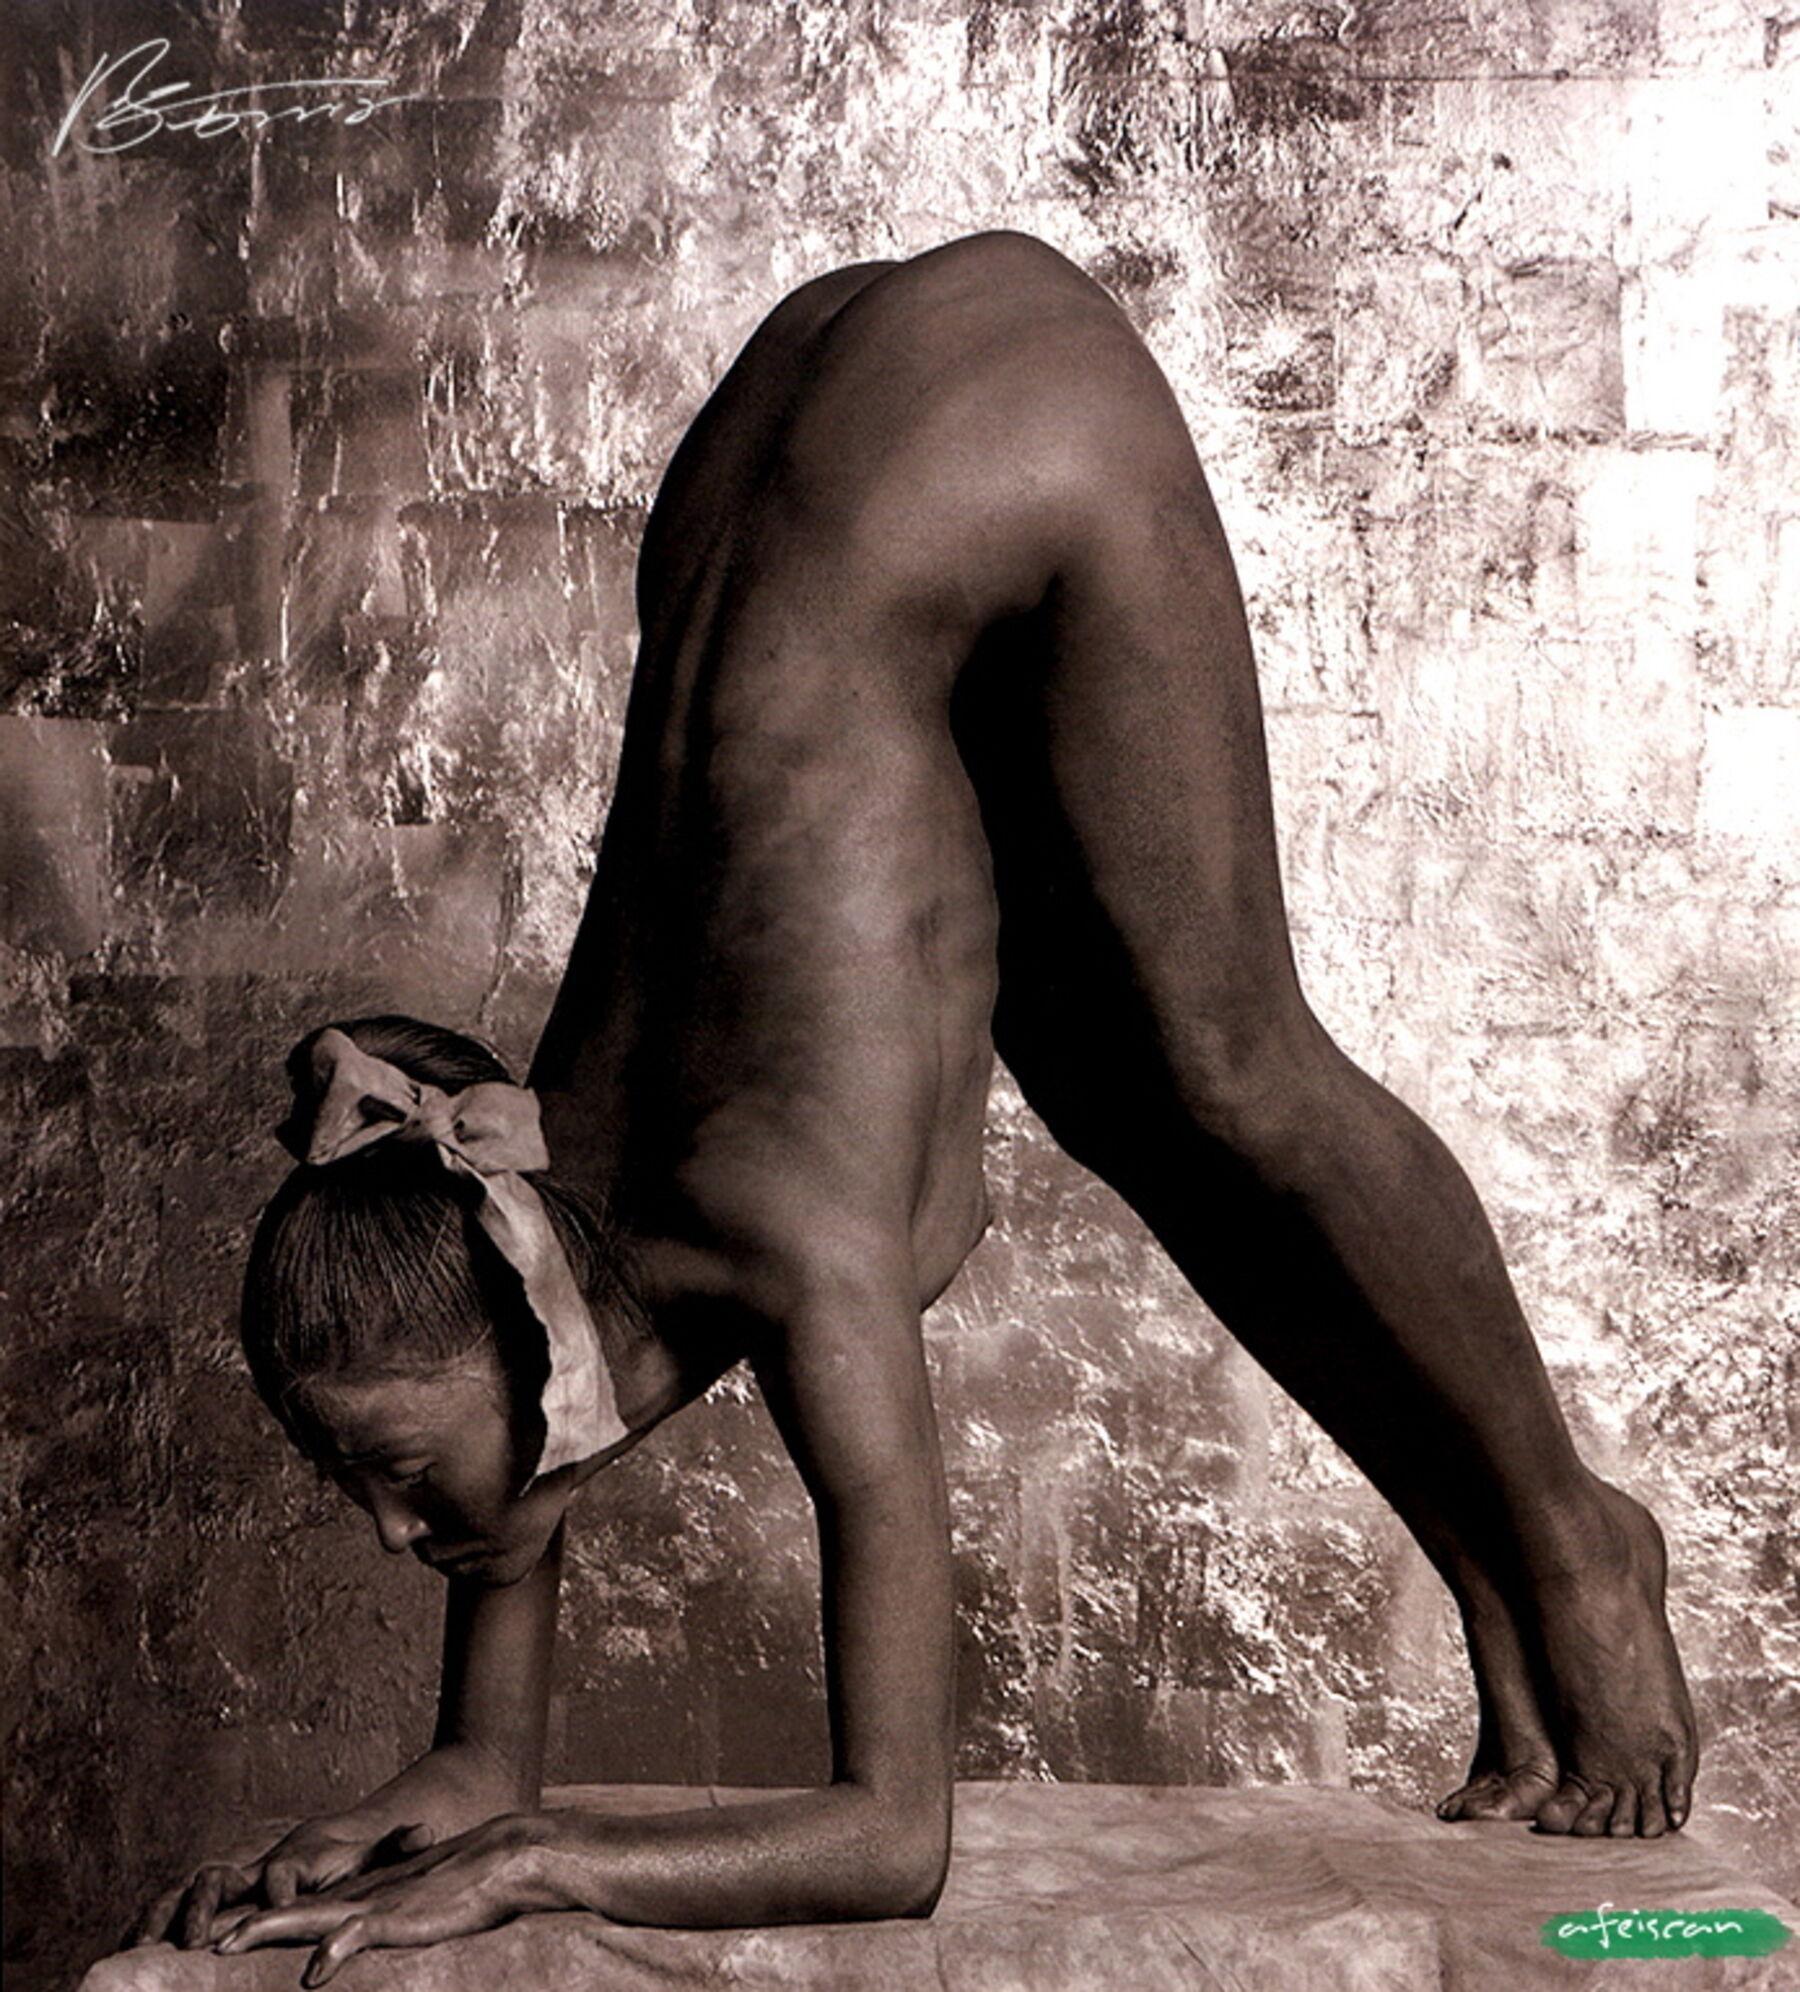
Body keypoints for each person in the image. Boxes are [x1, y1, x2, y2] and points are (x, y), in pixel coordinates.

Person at [131, 230, 1698, 1982]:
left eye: (401, 1480)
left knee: (1228, 1073)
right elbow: (498, 1660)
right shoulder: (509, 1205)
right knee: (1115, 1100)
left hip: (999, 412)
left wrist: (540, 1860)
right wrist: (447, 1789)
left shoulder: (789, 1244)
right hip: (798, 448)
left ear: (525, 1326)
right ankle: (1488, 1552)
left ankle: (1577, 1546)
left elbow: (893, 1840)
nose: (396, 1534)